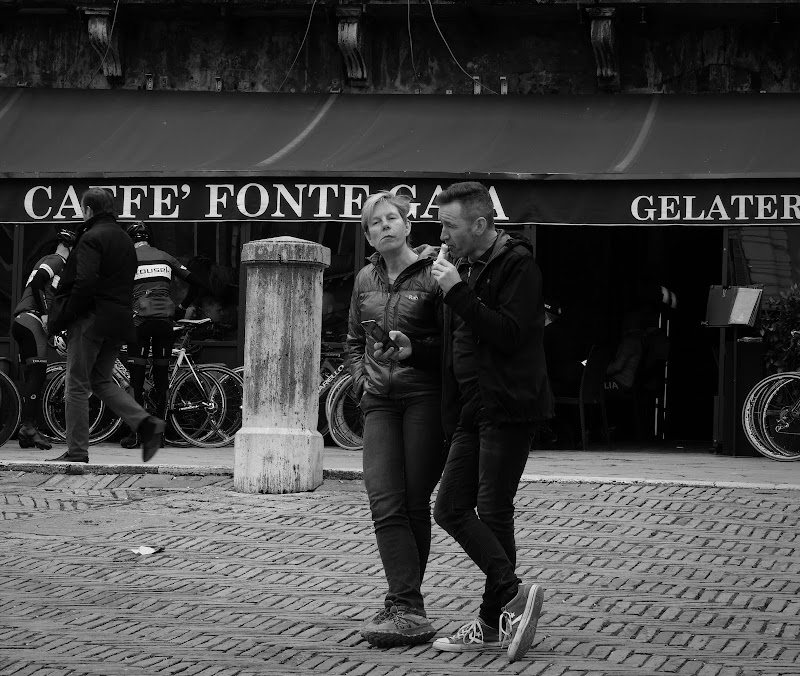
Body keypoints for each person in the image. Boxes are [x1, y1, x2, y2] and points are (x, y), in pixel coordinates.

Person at [428, 182, 553, 662]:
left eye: (449, 225)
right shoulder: (466, 266)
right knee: (450, 508)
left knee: (493, 509)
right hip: (470, 408)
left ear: (480, 224)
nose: (442, 233)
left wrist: (456, 292)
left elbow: (511, 335)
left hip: (507, 404)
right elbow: (460, 339)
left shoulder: (518, 265)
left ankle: (493, 619)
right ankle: (511, 597)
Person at [345, 190, 444, 648]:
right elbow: (350, 339)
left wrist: (415, 353)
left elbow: (450, 344)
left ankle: (406, 606)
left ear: (407, 225)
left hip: (424, 397)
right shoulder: (364, 278)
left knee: (413, 503)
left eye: (391, 219)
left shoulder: (435, 274)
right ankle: (406, 605)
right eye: (374, 223)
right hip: (380, 401)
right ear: (367, 234)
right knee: (384, 498)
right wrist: (361, 380)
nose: (384, 227)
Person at [46, 188, 165, 463]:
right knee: (100, 380)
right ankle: (147, 424)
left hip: (91, 319)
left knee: (76, 385)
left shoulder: (90, 238)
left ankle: (77, 451)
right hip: (119, 320)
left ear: (88, 211)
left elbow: (84, 283)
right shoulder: (125, 240)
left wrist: (65, 317)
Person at [119, 221, 208, 448]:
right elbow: (198, 282)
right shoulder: (165, 257)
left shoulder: (127, 258)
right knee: (161, 379)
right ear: (149, 238)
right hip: (164, 325)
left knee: (137, 381)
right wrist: (181, 307)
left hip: (140, 324)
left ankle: (136, 434)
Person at [11, 226, 76, 449]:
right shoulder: (56, 260)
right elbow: (38, 282)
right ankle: (28, 428)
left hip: (23, 321)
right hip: (31, 320)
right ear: (71, 248)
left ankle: (27, 430)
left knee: (32, 376)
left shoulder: (52, 262)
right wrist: (47, 315)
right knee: (37, 376)